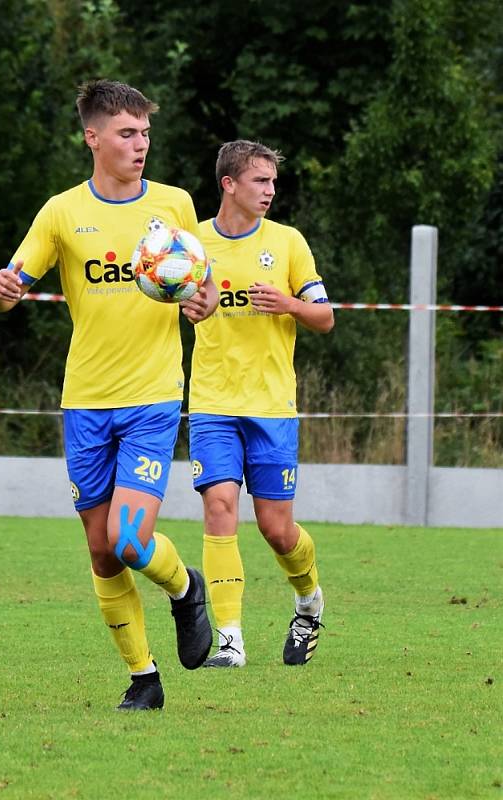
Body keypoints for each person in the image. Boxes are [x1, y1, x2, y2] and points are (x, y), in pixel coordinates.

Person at [0, 79, 218, 709]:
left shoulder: (174, 205)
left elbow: (204, 284)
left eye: (145, 133)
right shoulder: (62, 212)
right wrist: (1, 292)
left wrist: (204, 301)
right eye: (126, 134)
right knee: (100, 550)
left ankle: (185, 588)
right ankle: (144, 679)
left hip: (152, 398)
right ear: (93, 138)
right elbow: (11, 284)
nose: (140, 144)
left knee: (128, 538)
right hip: (85, 399)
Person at [188, 140, 334, 668]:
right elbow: (173, 299)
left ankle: (309, 599)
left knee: (276, 529)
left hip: (272, 406)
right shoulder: (195, 242)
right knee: (219, 505)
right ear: (229, 184)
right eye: (259, 181)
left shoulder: (288, 243)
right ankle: (229, 640)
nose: (270, 191)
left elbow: (325, 317)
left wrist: (290, 304)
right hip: (211, 401)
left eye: (273, 181)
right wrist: (185, 306)